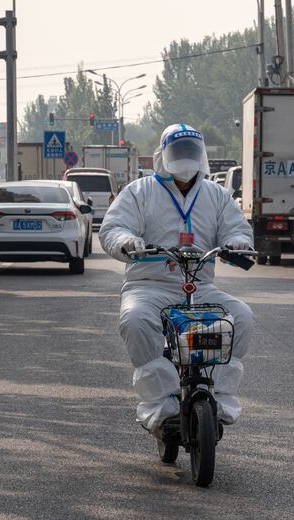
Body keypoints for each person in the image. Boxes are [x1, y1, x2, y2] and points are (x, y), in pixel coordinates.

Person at [99, 124, 254, 436]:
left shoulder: (217, 195)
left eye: (191, 151)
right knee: (136, 319)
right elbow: (113, 228)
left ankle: (220, 396)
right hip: (149, 285)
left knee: (241, 316)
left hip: (201, 287)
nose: (186, 158)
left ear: (201, 155)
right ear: (163, 155)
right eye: (178, 151)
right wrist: (126, 241)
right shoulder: (139, 192)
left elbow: (237, 229)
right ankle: (162, 405)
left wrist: (237, 241)